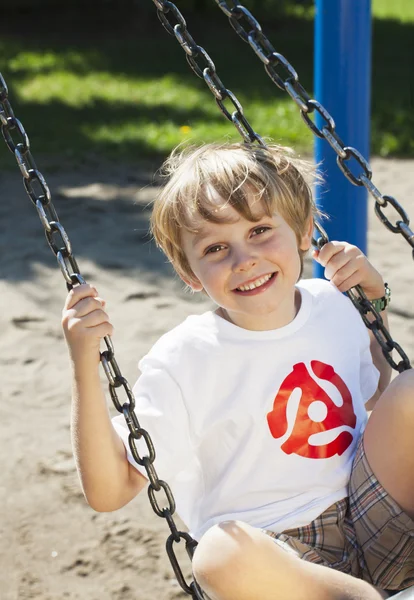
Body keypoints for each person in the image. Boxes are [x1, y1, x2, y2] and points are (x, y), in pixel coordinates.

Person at [62, 142, 414, 600]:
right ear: (189, 273)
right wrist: (84, 366)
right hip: (276, 558)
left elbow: (378, 391)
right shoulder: (184, 359)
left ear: (305, 231)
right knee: (216, 554)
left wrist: (374, 302)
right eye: (215, 248)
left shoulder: (333, 302)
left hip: (366, 510)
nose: (243, 258)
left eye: (261, 230)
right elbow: (109, 492)